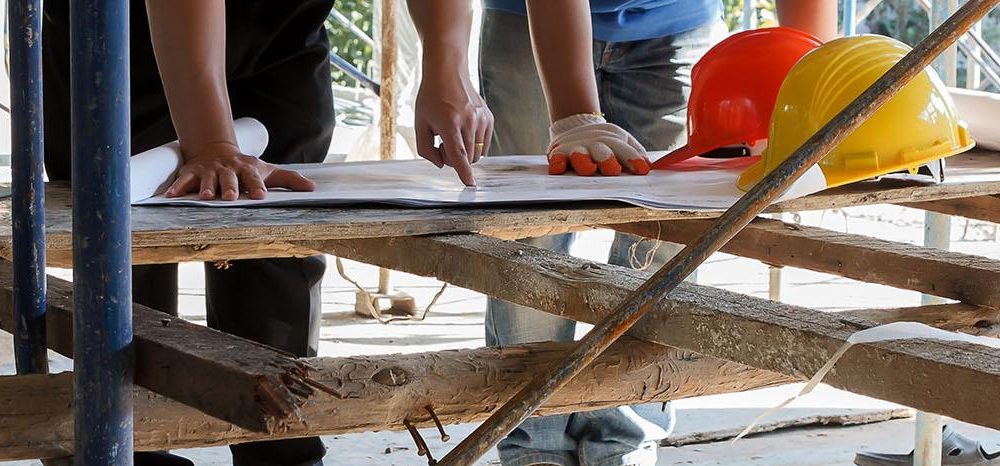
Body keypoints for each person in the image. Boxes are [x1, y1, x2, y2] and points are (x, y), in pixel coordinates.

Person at [409, 1, 837, 465]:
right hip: (527, 23)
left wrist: (819, 88)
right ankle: (536, 446)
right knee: (529, 236)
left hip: (675, 24)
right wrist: (576, 117)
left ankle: (626, 441)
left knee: (667, 234)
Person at [43, 1, 334, 465]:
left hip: (281, 39)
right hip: (122, 39)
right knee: (130, 263)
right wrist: (214, 143)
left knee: (277, 255)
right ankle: (138, 451)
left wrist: (447, 67)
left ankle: (283, 451)